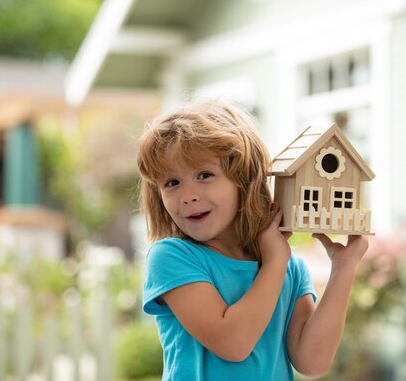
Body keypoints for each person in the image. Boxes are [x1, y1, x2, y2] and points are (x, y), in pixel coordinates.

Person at [137, 100, 368, 380]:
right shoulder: (173, 257)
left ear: (244, 181)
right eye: (172, 183)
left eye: (205, 175)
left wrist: (343, 267)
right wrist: (274, 261)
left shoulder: (289, 267)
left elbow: (312, 362)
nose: (188, 195)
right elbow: (233, 344)